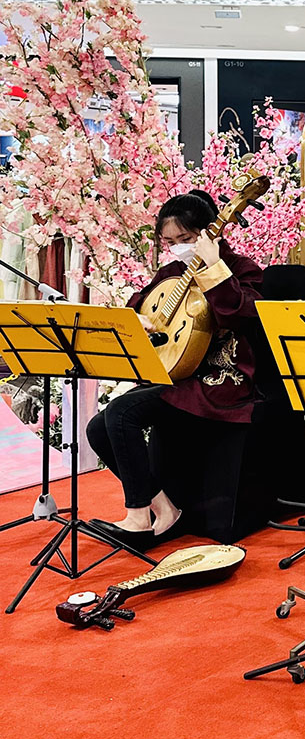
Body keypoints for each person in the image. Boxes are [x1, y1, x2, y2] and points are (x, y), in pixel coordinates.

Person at [86, 190, 263, 548]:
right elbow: (139, 305)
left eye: (185, 239)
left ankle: (139, 515)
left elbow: (243, 314)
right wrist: (139, 318)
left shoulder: (243, 269)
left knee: (121, 413)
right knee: (97, 429)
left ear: (210, 231)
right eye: (170, 241)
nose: (178, 248)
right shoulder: (172, 272)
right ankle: (163, 506)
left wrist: (214, 267)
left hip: (218, 380)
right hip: (175, 374)